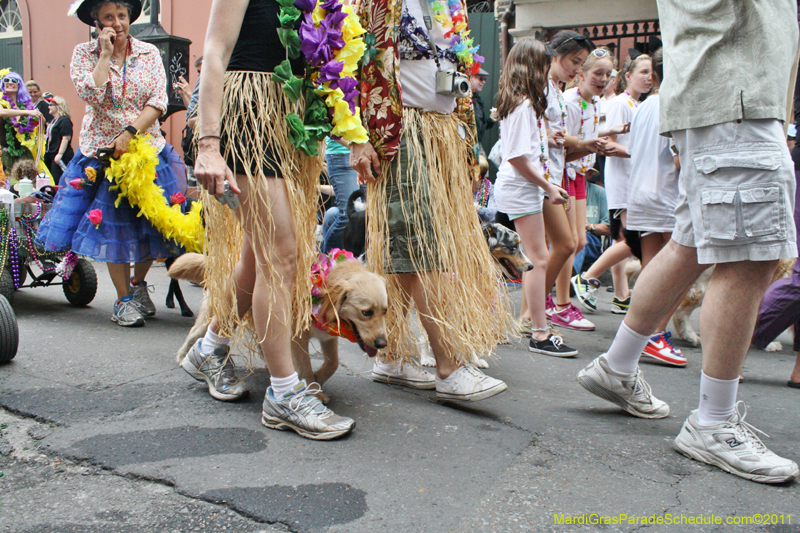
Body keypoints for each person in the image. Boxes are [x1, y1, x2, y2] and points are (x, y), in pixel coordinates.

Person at [577, 0, 799, 484]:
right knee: (750, 256)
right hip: (733, 93)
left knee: (689, 245)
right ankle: (713, 421)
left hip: (726, 92)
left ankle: (617, 365)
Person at [190, 0, 359, 439]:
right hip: (249, 112)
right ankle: (284, 394)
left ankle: (211, 347)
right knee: (282, 256)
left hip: (289, 120)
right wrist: (208, 144)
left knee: (258, 250)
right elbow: (214, 51)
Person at [352, 0, 514, 400]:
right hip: (400, 132)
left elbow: (458, 73)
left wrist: (467, 143)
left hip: (442, 136)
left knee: (410, 250)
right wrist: (357, 139)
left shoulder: (450, 3)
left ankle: (392, 359)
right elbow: (352, 62)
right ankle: (449, 366)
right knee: (426, 246)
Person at [37, 0, 188, 329]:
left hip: (146, 149)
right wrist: (105, 55)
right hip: (101, 153)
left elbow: (158, 101)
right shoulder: (83, 53)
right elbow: (90, 94)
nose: (117, 22)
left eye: (122, 15)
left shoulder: (148, 52)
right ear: (96, 20)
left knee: (153, 222)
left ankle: (138, 286)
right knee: (113, 224)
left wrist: (130, 132)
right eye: (109, 16)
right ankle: (122, 300)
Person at [492, 37, 576, 357]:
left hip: (521, 188)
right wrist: (547, 186)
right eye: (543, 65)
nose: (547, 72)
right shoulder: (523, 103)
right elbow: (515, 156)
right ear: (531, 66)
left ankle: (532, 327)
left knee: (517, 261)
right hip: (519, 188)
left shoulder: (525, 102)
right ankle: (538, 333)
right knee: (535, 260)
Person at [571, 52, 653, 314]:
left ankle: (621, 295)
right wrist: (638, 153)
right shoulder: (620, 104)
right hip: (625, 181)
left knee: (623, 239)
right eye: (643, 72)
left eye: (651, 73)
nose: (648, 77)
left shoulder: (639, 105)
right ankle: (586, 278)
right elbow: (604, 142)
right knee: (631, 239)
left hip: (636, 179)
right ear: (627, 76)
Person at [623, 48, 685, 367]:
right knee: (678, 270)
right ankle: (655, 335)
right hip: (666, 194)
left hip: (641, 192)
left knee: (651, 267)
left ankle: (640, 333)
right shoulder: (674, 103)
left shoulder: (645, 105)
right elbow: (678, 157)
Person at [320, 137, 360, 253]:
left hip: (363, 153)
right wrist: (354, 147)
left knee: (358, 215)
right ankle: (326, 262)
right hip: (342, 154)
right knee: (348, 214)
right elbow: (331, 125)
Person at [0, 72, 44, 176]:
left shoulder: (26, 105)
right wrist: (26, 112)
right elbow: (2, 112)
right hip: (6, 153)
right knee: (11, 182)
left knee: (28, 181)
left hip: (24, 152)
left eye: (14, 80)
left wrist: (39, 117)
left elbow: (39, 121)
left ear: (19, 85)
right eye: (7, 80)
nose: (10, 82)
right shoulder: (1, 101)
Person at [573, 169, 609, 274]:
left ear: (589, 174)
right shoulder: (560, 191)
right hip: (564, 236)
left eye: (579, 172)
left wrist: (589, 226)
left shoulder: (600, 193)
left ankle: (570, 279)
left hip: (590, 239)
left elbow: (608, 228)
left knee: (580, 238)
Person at [44, 96, 75, 182]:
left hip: (60, 156)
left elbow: (66, 138)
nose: (48, 107)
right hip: (51, 155)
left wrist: (60, 154)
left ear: (59, 106)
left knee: (59, 180)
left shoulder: (64, 120)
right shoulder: (53, 121)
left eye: (51, 105)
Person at [471, 68, 494, 146]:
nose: (483, 82)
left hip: (476, 144)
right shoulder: (463, 98)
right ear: (471, 78)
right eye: (481, 78)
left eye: (485, 79)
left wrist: (492, 119)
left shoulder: (478, 100)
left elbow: (481, 125)